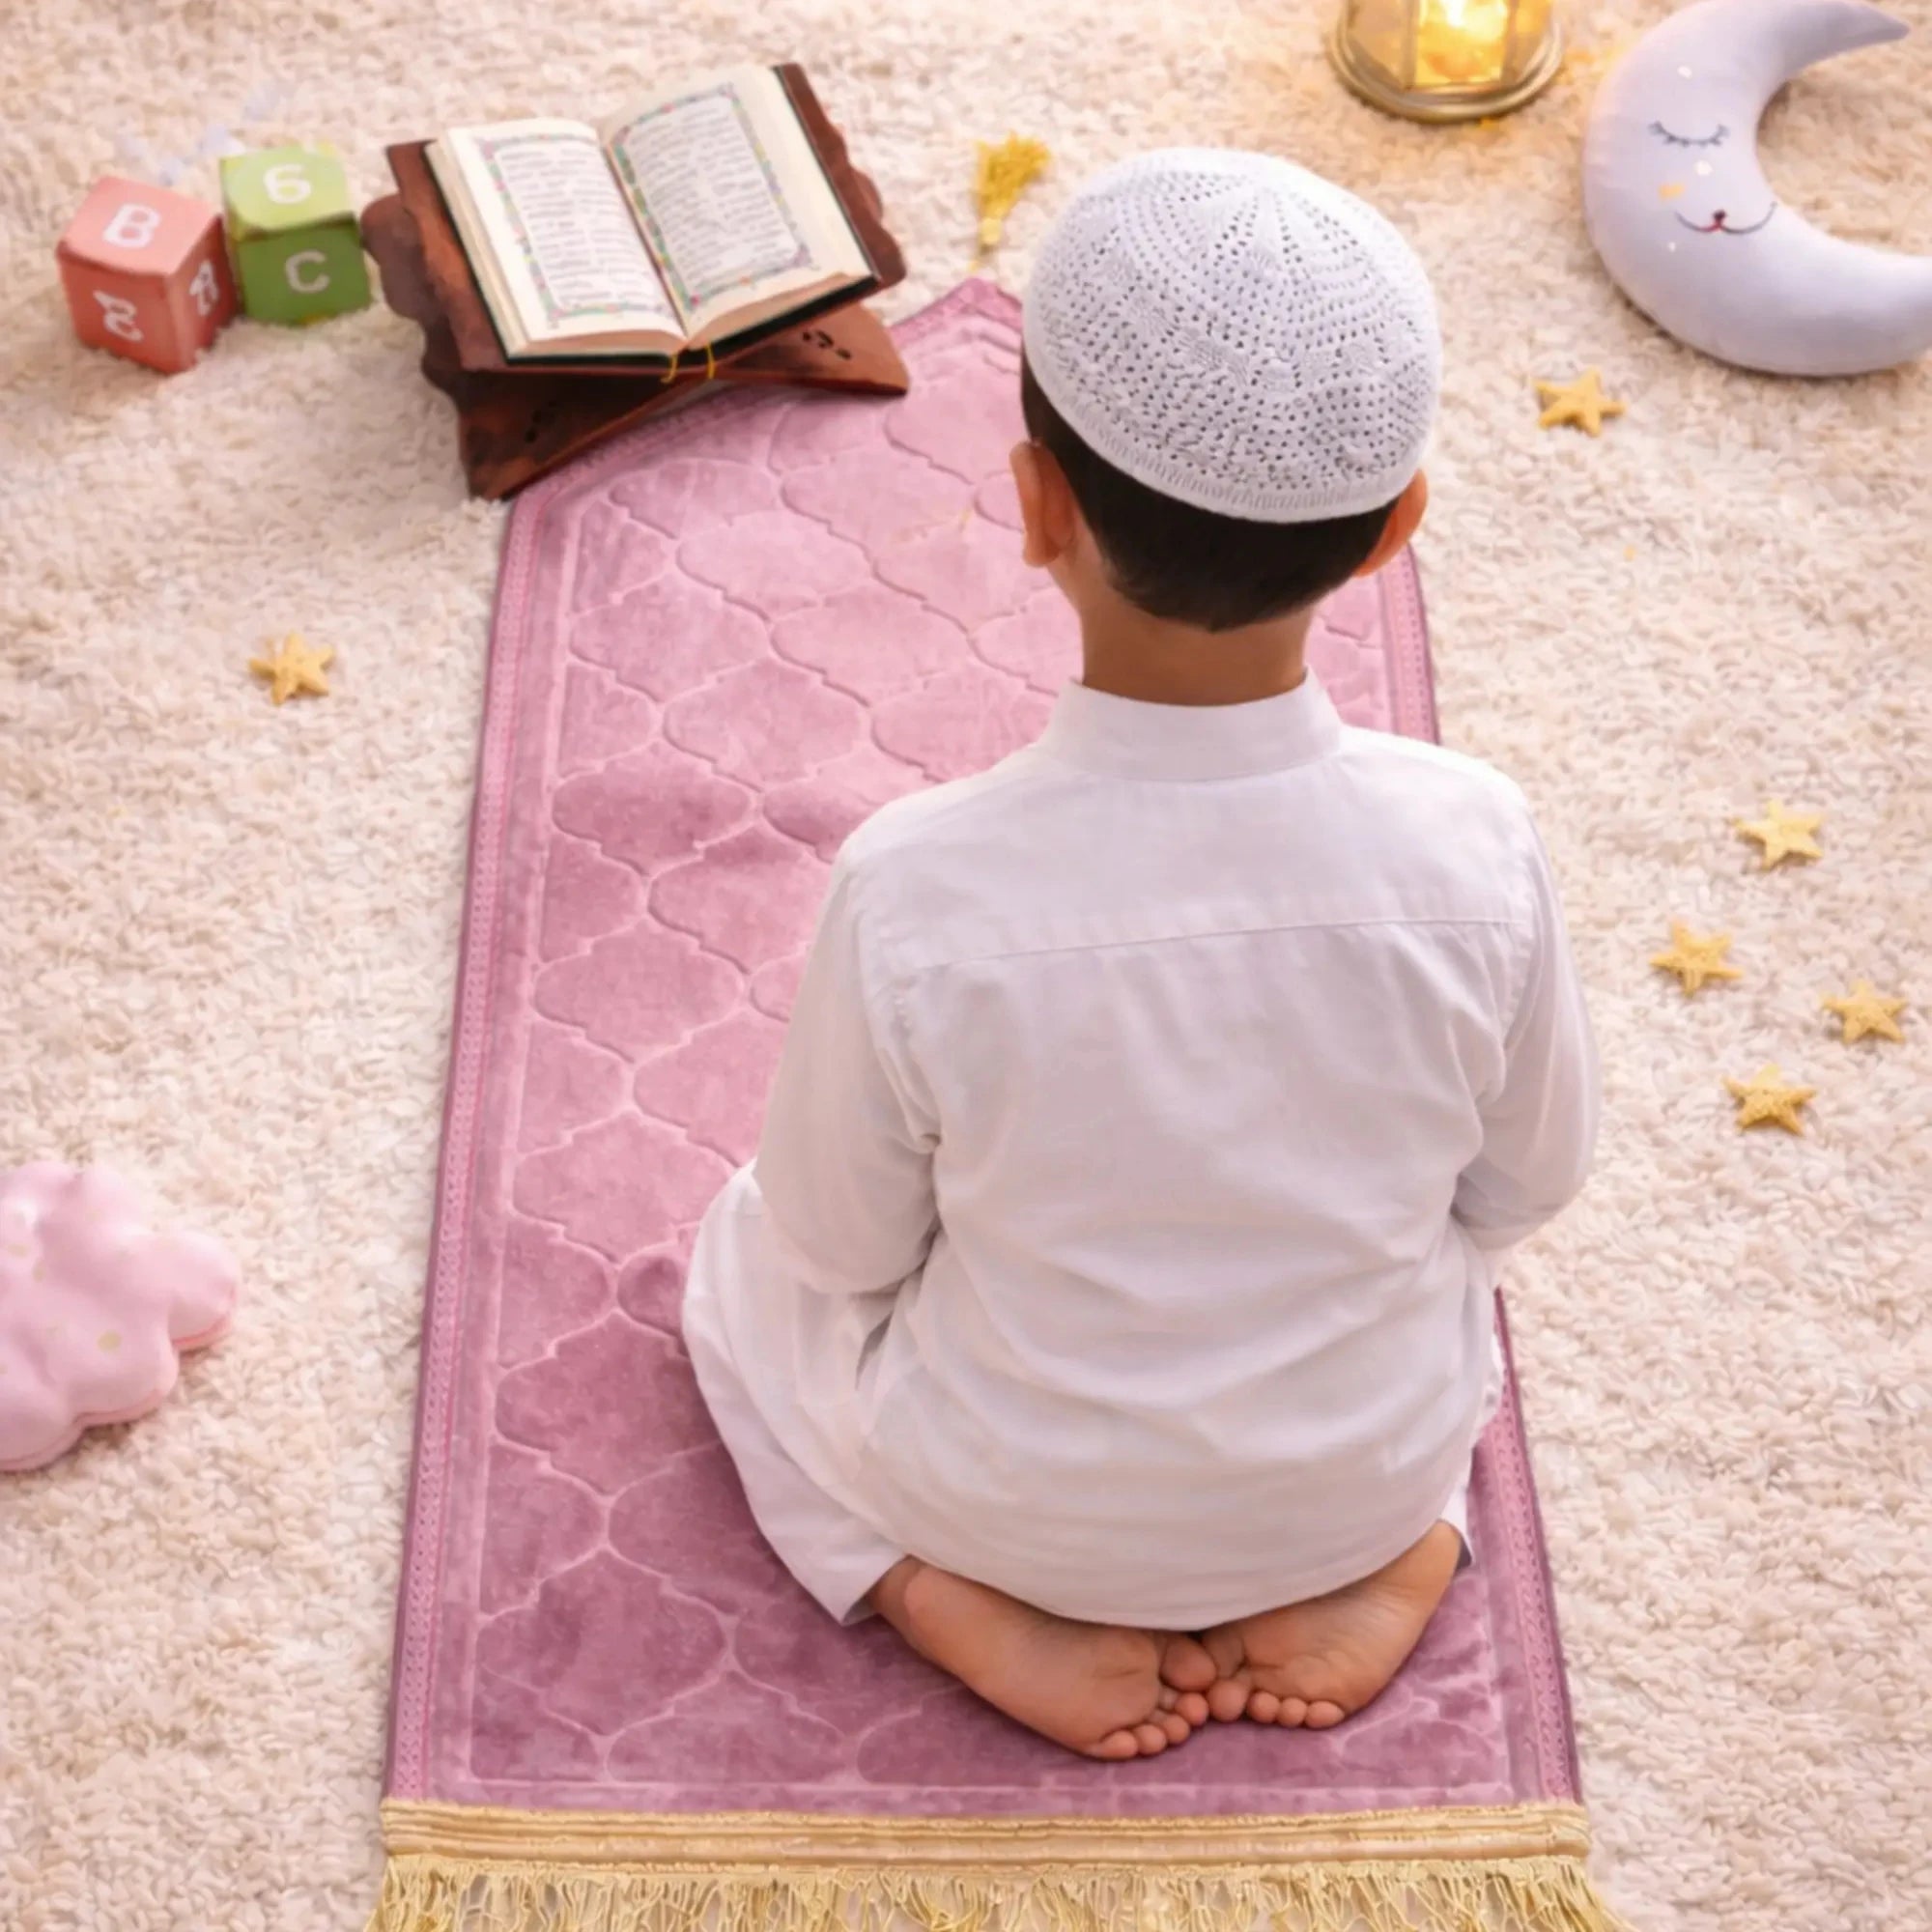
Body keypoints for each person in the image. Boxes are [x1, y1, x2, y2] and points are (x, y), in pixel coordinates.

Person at [683, 149, 1599, 1762]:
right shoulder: (1479, 840)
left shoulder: (913, 889)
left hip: (1005, 1502)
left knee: (739, 1259)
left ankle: (915, 1583)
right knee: (1437, 1291)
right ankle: (1406, 1547)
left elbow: (839, 1248)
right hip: (1350, 1474)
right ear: (1397, 532)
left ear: (1038, 512)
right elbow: (1524, 1189)